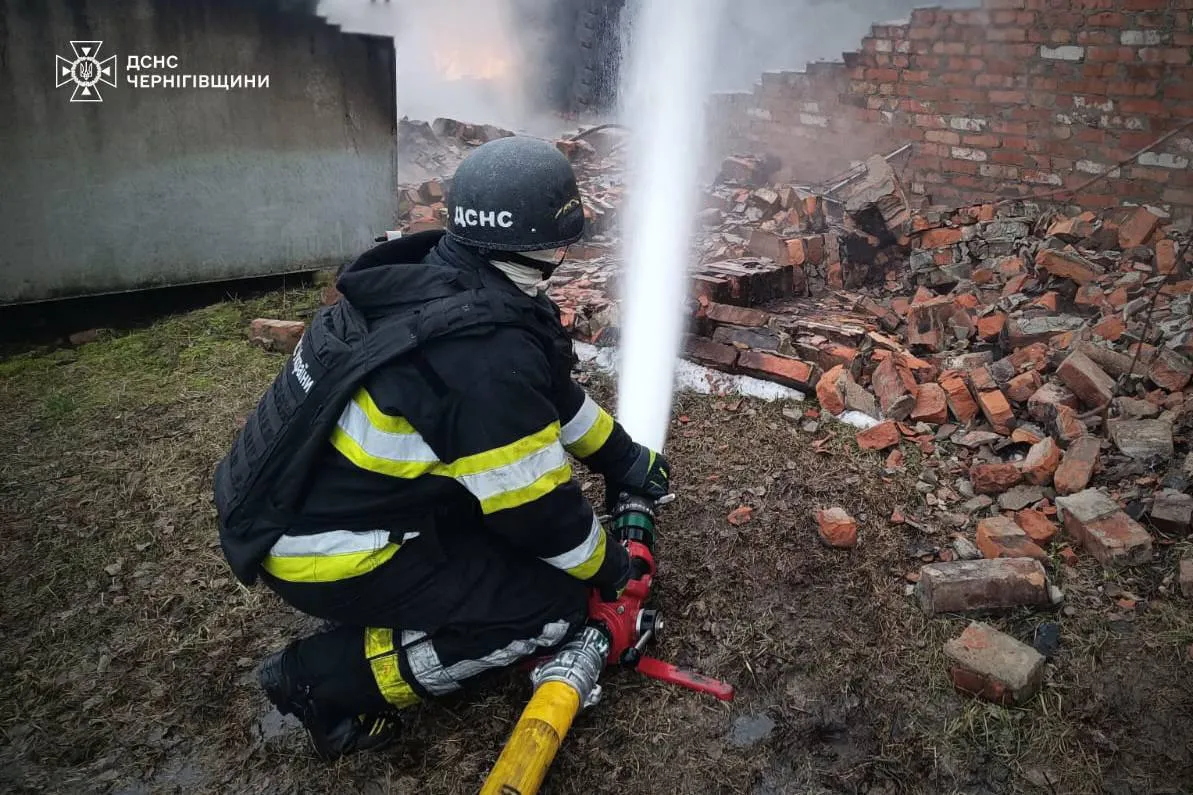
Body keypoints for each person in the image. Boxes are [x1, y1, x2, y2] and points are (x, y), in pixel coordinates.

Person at [212, 136, 670, 761]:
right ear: (549, 245)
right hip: (327, 552)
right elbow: (533, 509)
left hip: (301, 504)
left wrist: (623, 459)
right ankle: (324, 681)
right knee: (546, 607)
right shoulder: (483, 353)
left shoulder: (444, 281)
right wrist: (613, 568)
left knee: (516, 559)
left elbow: (550, 395)